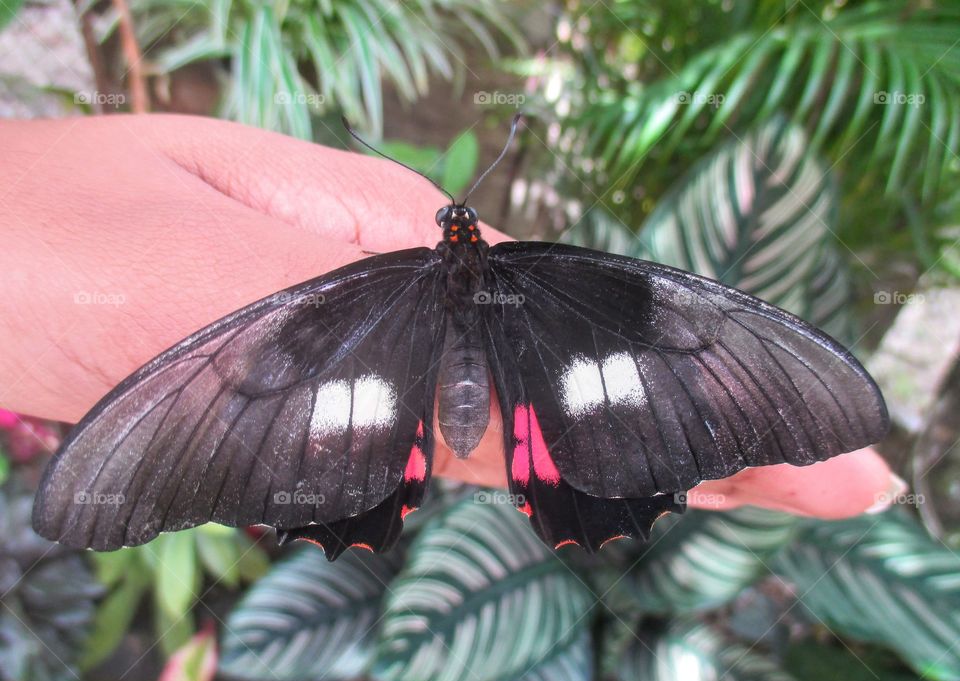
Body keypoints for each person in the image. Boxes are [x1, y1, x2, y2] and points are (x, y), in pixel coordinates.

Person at [0, 113, 903, 519]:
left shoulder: (364, 284)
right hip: (528, 408)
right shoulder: (547, 277)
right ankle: (520, 471)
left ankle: (439, 474)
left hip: (537, 406)